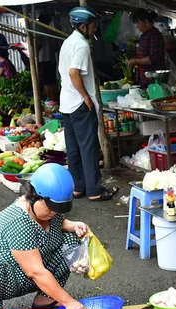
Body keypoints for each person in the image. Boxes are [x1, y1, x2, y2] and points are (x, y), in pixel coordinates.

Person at [0, 164, 92, 309]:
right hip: (7, 278)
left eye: (58, 208)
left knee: (71, 238)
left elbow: (58, 223)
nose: (54, 213)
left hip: (35, 271)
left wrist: (74, 225)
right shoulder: (18, 220)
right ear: (33, 196)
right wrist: (69, 302)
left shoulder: (49, 211)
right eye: (50, 207)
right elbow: (35, 271)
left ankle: (45, 299)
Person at [58, 6, 118, 201]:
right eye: (93, 26)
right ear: (83, 26)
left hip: (67, 103)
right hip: (80, 104)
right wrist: (85, 96)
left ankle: (78, 187)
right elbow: (73, 72)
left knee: (73, 148)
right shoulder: (82, 45)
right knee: (89, 147)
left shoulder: (68, 42)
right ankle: (95, 190)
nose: (94, 29)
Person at [127, 9, 166, 87]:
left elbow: (153, 58)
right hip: (144, 80)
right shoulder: (144, 36)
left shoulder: (154, 36)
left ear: (146, 22)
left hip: (153, 81)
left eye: (138, 23)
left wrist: (135, 61)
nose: (137, 26)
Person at [37, 13, 59, 102]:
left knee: (46, 82)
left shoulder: (39, 30)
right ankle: (55, 100)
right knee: (52, 81)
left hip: (43, 59)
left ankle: (51, 101)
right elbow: (57, 47)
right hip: (52, 59)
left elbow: (37, 45)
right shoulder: (52, 30)